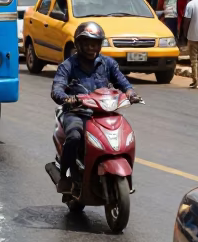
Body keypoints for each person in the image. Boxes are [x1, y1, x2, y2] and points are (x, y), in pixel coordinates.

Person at [50, 21, 140, 192]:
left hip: (104, 113)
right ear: (78, 44)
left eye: (95, 44)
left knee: (126, 134)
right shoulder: (68, 66)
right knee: (75, 137)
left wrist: (130, 93)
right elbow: (57, 89)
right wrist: (68, 98)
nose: (91, 48)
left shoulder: (108, 64)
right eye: (87, 44)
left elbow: (122, 81)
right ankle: (65, 175)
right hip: (77, 113)